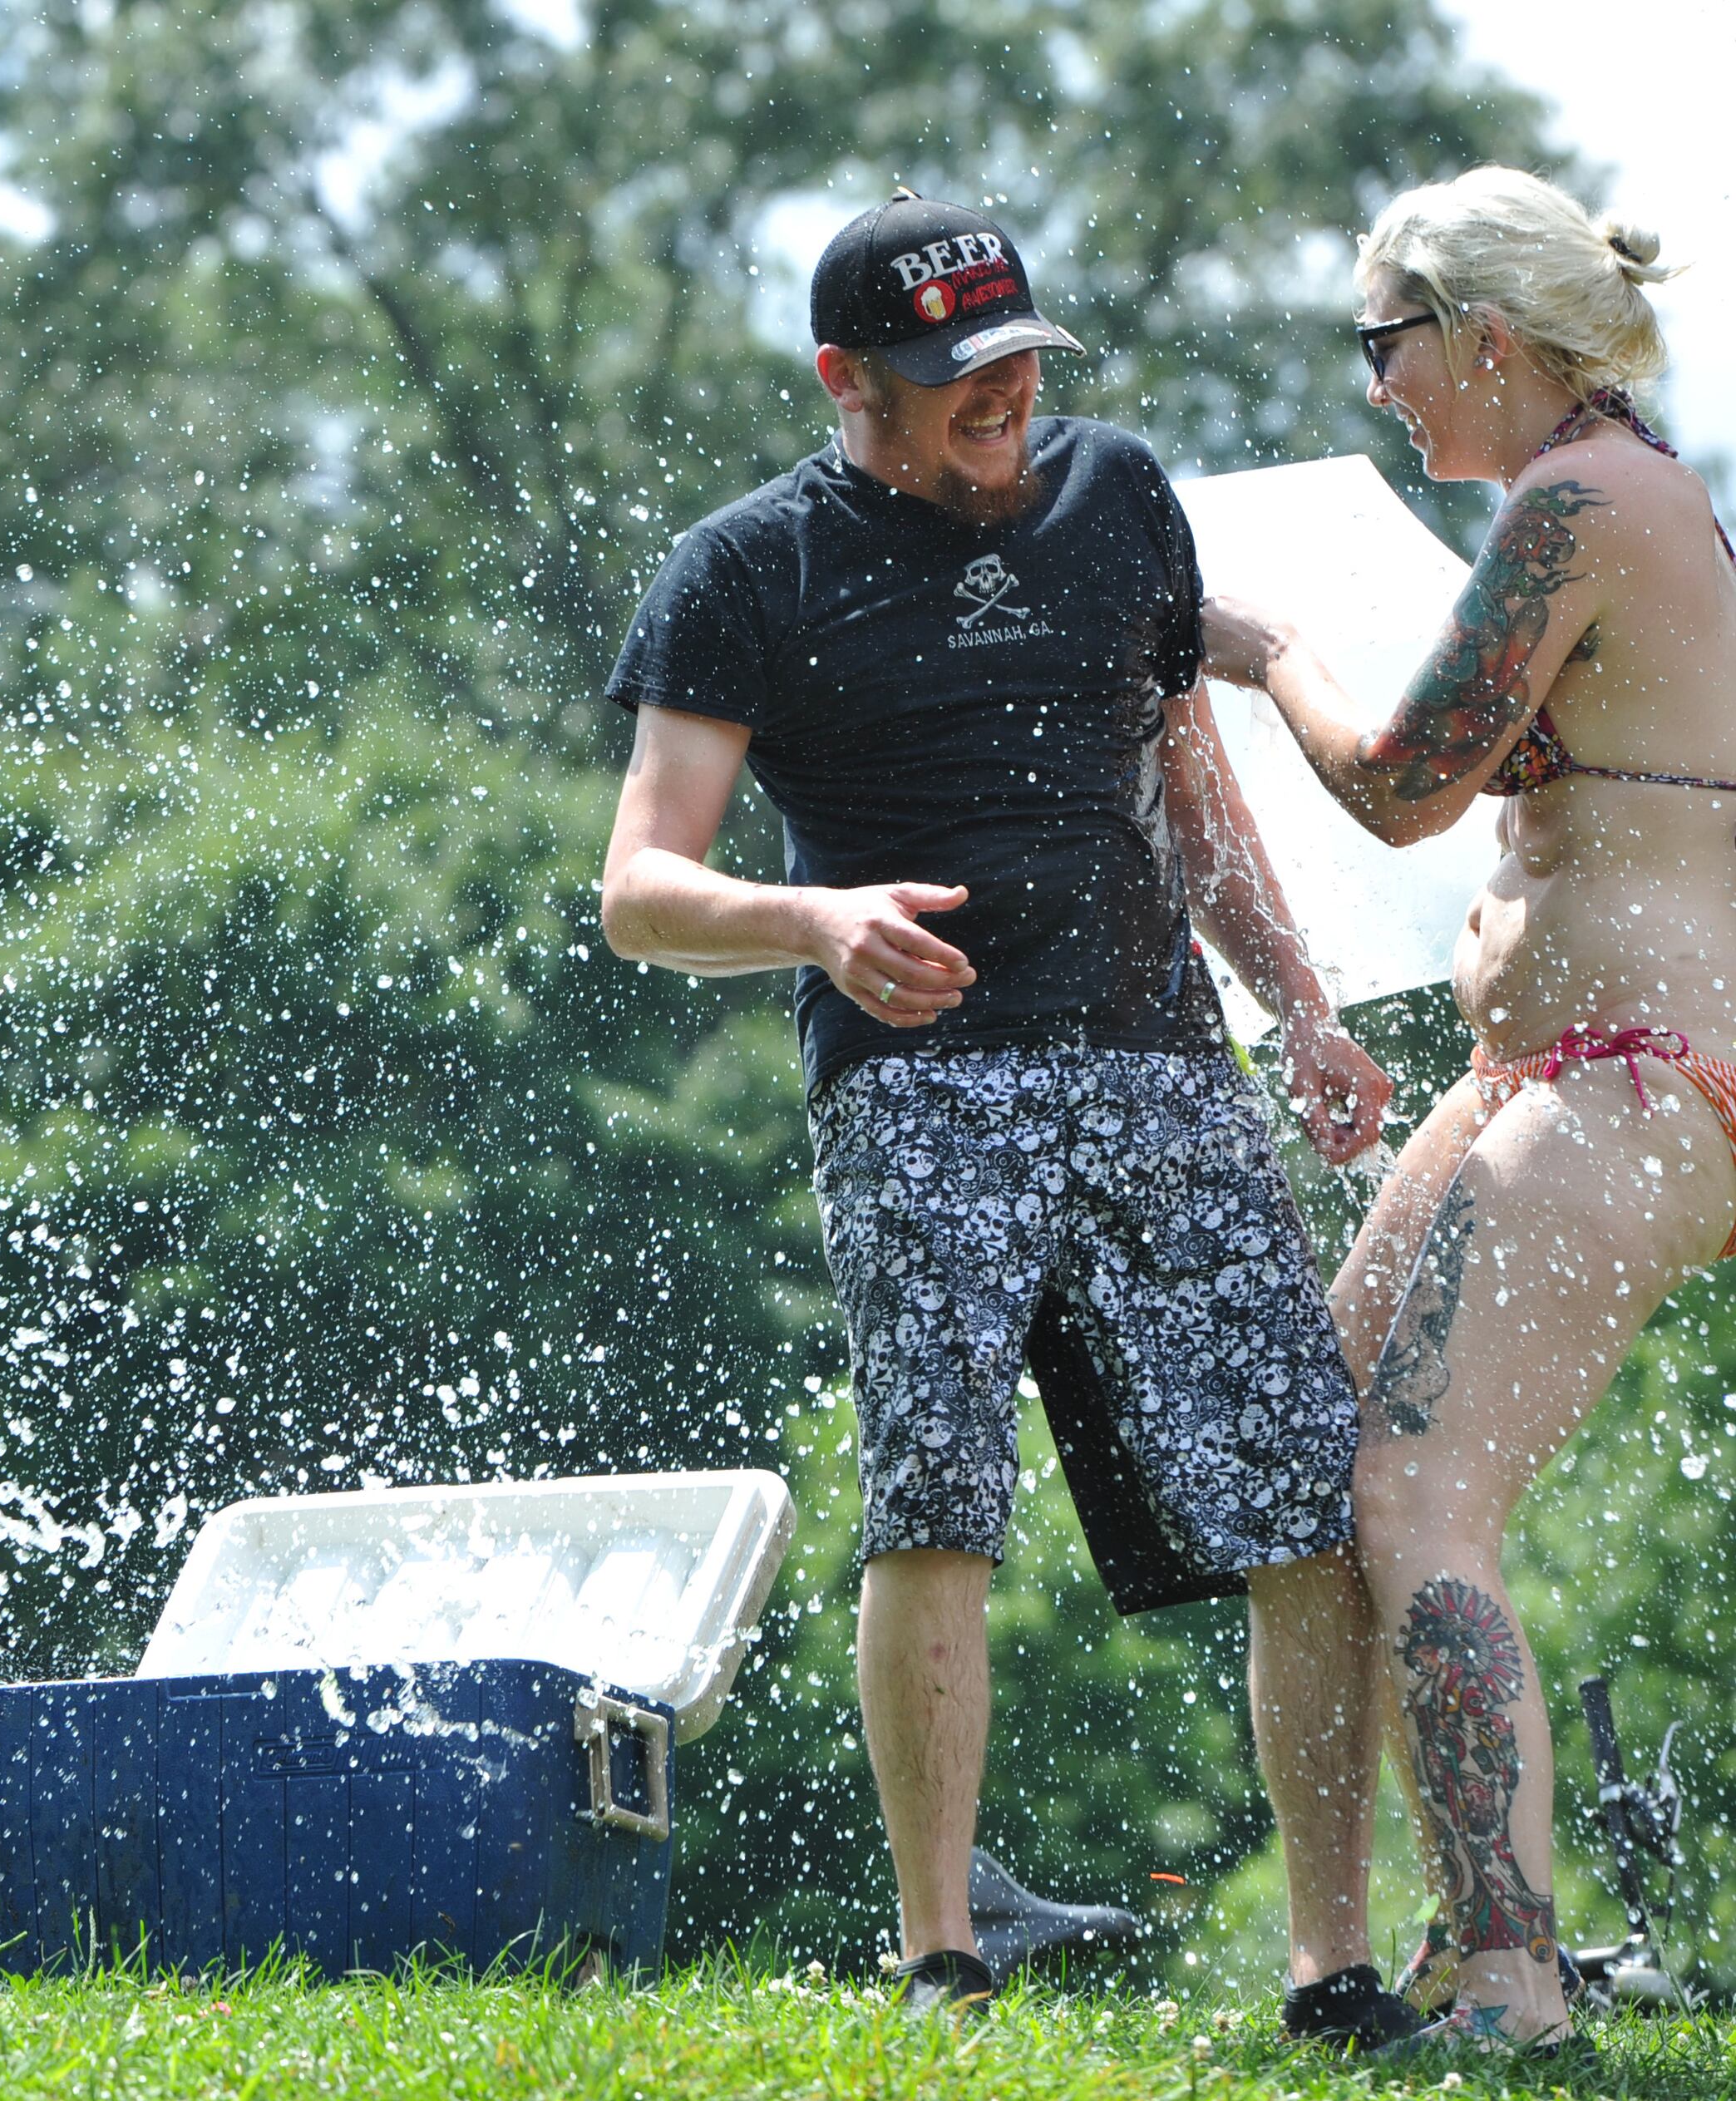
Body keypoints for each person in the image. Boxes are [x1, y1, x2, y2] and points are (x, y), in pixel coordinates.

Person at [599, 192, 1419, 2043]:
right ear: (847, 385)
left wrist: (1294, 1002)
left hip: (1158, 1062)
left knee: (1303, 1488)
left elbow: (1188, 770)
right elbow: (641, 888)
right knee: (939, 1492)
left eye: (1022, 366)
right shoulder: (743, 572)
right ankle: (943, 1959)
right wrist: (815, 920)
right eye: (958, 382)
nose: (1005, 406)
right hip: (922, 1089)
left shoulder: (1116, 491)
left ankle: (1333, 1969)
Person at [1202, 167, 1729, 2057]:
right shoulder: (1595, 492)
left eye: (1387, 345)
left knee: (1420, 1490)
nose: (1379, 390)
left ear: (1484, 335)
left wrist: (1262, 656)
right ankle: (1385, 1960)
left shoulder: (1584, 498)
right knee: (1315, 1464)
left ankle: (1513, 1975)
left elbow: (1411, 784)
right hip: (1561, 1070)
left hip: (1635, 1075)